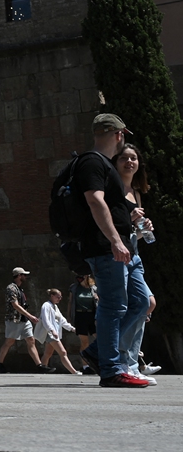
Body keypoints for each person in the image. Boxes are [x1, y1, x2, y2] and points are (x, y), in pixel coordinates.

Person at [76, 114, 152, 388]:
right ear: (119, 135)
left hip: (124, 248)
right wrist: (115, 240)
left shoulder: (104, 166)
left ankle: (100, 353)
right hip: (108, 247)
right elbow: (95, 201)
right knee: (113, 306)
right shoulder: (92, 162)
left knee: (141, 302)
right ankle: (111, 369)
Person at [111, 142, 156, 384]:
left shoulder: (136, 192)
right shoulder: (113, 190)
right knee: (138, 305)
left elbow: (131, 234)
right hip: (118, 255)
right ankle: (119, 354)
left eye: (134, 158)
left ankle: (130, 360)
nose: (130, 162)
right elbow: (114, 227)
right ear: (115, 163)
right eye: (124, 158)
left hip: (134, 253)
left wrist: (142, 229)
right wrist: (129, 220)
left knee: (147, 303)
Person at [0, 267, 47, 373]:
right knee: (9, 341)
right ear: (19, 276)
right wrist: (30, 316)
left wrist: (27, 317)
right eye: (24, 275)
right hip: (14, 320)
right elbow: (15, 305)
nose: (25, 277)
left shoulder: (19, 289)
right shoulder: (11, 288)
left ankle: (39, 366)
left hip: (23, 320)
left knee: (31, 340)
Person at [34, 289, 81, 374]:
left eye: (60, 297)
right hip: (50, 333)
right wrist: (51, 330)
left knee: (48, 353)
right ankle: (73, 371)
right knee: (63, 352)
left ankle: (42, 369)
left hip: (54, 333)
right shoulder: (46, 305)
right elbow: (45, 319)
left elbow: (62, 320)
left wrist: (71, 328)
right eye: (58, 297)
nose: (59, 299)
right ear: (52, 296)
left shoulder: (55, 306)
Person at [67, 273, 97, 371]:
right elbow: (70, 302)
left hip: (92, 315)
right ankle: (85, 366)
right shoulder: (74, 288)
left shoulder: (94, 288)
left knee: (100, 338)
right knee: (85, 342)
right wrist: (69, 316)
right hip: (80, 316)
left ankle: (98, 361)